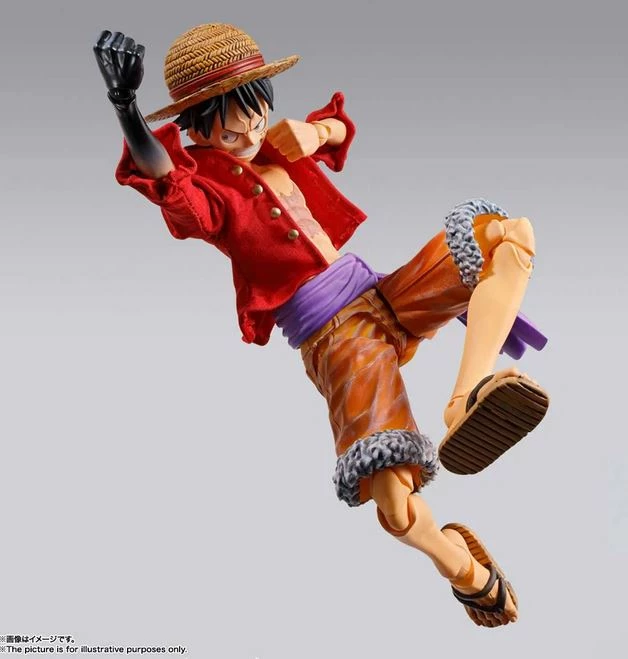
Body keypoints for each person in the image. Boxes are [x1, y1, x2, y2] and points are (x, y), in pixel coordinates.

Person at [94, 23, 550, 627]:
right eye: (229, 133)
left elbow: (335, 129)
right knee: (392, 498)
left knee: (503, 235)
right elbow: (164, 181)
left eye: (256, 119)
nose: (249, 137)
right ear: (197, 130)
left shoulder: (275, 145)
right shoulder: (209, 190)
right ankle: (463, 569)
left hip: (380, 294)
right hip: (338, 339)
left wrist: (318, 131)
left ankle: (466, 398)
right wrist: (125, 108)